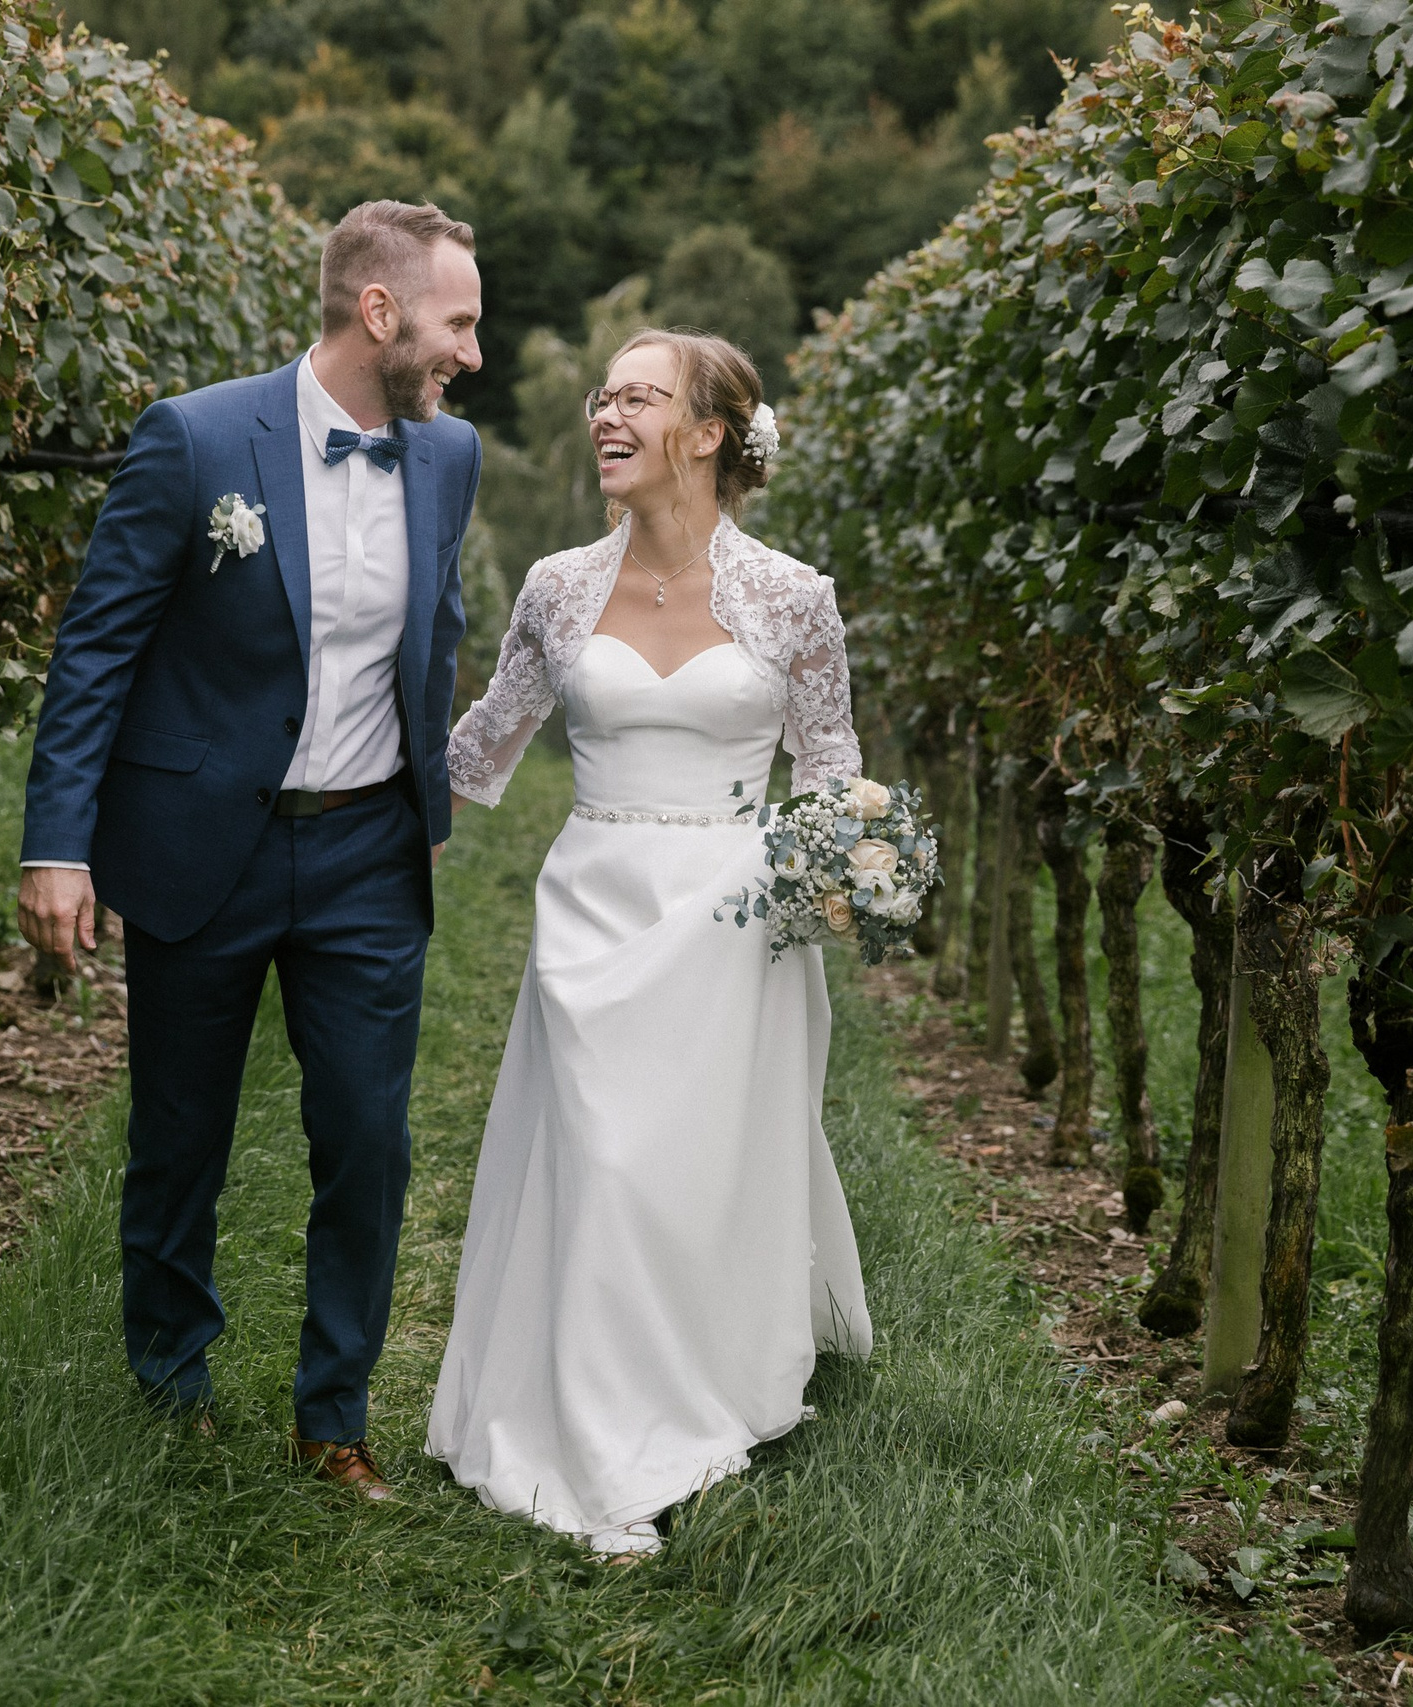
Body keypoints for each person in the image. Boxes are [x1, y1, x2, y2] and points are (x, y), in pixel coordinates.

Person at [17, 200, 484, 1501]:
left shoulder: (449, 458)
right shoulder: (197, 437)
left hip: (366, 854)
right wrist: (59, 841)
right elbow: (97, 645)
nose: (475, 357)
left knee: (369, 1135)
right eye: (460, 324)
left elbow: (435, 635)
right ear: (377, 313)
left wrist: (428, 810)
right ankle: (171, 1390)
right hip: (197, 841)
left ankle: (332, 1414)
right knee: (180, 1137)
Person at [426, 329, 874, 1554]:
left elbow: (835, 779)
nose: (606, 415)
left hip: (737, 918)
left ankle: (705, 1382)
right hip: (593, 907)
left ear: (711, 434)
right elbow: (477, 752)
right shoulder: (557, 587)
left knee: (693, 1172)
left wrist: (850, 880)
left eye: (639, 397)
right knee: (607, 1162)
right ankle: (600, 1426)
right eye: (601, 395)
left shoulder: (793, 599)